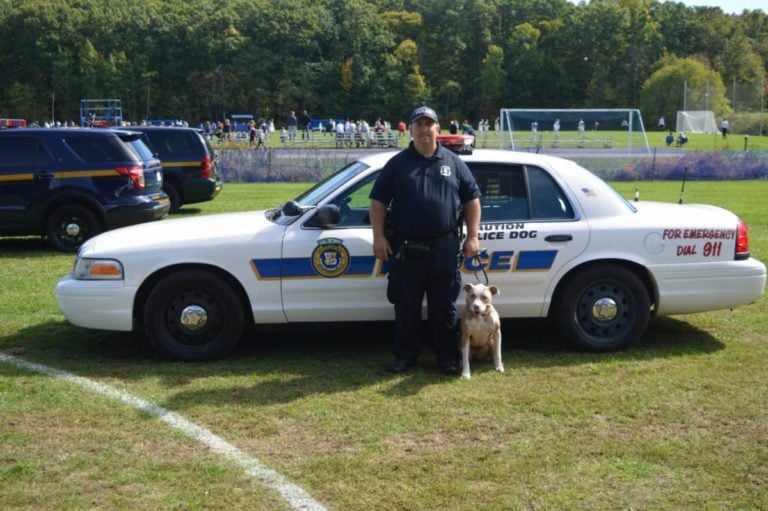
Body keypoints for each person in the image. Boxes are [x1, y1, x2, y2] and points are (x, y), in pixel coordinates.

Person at [369, 106, 481, 376]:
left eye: (428, 124)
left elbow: (472, 200)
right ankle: (405, 356)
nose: (423, 129)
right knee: (406, 306)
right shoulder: (398, 163)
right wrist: (378, 237)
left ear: (437, 128)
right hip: (406, 248)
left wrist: (473, 236)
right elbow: (378, 202)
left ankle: (447, 358)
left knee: (444, 307)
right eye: (418, 124)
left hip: (445, 246)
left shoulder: (453, 162)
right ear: (411, 129)